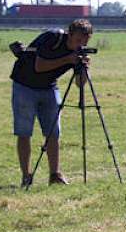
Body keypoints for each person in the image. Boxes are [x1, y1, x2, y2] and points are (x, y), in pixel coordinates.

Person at [10, 19, 93, 186]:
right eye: (78, 40)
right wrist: (68, 59)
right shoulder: (52, 38)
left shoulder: (78, 52)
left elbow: (79, 83)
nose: (81, 44)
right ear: (69, 34)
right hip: (25, 85)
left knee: (53, 132)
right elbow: (39, 66)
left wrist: (84, 68)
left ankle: (55, 175)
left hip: (49, 87)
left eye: (85, 41)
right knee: (24, 131)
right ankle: (26, 176)